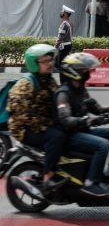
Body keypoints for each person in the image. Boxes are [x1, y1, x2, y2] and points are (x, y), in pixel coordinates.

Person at [54, 53, 109, 198]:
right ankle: (90, 182)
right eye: (85, 70)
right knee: (103, 145)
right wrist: (85, 120)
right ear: (75, 72)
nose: (88, 73)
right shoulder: (63, 93)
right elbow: (65, 119)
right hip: (70, 136)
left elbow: (97, 109)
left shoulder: (81, 90)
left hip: (83, 131)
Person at [7, 45, 66, 198]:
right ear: (34, 63)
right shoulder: (26, 84)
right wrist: (48, 124)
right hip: (23, 129)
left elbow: (58, 100)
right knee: (56, 137)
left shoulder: (49, 80)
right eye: (45, 61)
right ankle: (47, 178)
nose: (50, 63)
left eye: (51, 59)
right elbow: (20, 114)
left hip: (40, 125)